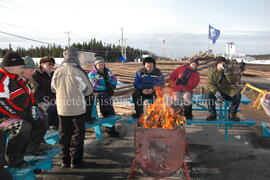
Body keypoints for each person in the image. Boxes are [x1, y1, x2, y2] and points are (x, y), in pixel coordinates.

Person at [51, 48, 93, 168]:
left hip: (62, 108)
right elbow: (88, 90)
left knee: (64, 135)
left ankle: (64, 160)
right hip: (77, 109)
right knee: (77, 135)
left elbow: (53, 88)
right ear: (75, 57)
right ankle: (76, 160)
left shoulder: (57, 71)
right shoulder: (79, 72)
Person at [0, 52, 32, 168]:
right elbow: (2, 102)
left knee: (38, 118)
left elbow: (28, 94)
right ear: (11, 67)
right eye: (21, 67)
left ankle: (32, 149)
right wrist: (18, 114)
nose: (23, 70)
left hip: (9, 115)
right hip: (3, 118)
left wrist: (32, 108)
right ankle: (13, 159)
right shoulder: (2, 78)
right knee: (22, 126)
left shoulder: (14, 77)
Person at [21, 56, 52, 155]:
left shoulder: (28, 80)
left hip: (30, 108)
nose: (34, 72)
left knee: (43, 117)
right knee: (39, 119)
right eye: (31, 69)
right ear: (23, 69)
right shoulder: (16, 81)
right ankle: (30, 148)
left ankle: (36, 144)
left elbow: (32, 96)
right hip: (16, 114)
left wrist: (35, 107)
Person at [88, 57, 120, 137]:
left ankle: (111, 128)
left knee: (110, 108)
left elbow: (114, 79)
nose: (101, 66)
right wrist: (106, 88)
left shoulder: (107, 71)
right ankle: (107, 117)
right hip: (97, 93)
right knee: (105, 102)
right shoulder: (92, 74)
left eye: (102, 64)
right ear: (96, 65)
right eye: (99, 64)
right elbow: (95, 86)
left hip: (107, 92)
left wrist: (113, 85)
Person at [206, 57, 241, 122]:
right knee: (209, 95)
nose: (222, 64)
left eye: (223, 63)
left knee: (237, 95)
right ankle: (212, 114)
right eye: (220, 63)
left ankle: (232, 114)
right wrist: (216, 93)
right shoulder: (211, 72)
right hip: (216, 92)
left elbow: (232, 81)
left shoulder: (228, 70)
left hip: (226, 91)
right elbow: (210, 84)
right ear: (217, 64)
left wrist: (227, 73)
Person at [31, 56, 58, 129]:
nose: (52, 66)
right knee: (52, 108)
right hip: (41, 101)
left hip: (51, 99)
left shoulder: (51, 74)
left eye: (53, 64)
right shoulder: (35, 75)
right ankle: (52, 125)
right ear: (42, 64)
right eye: (49, 64)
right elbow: (39, 91)